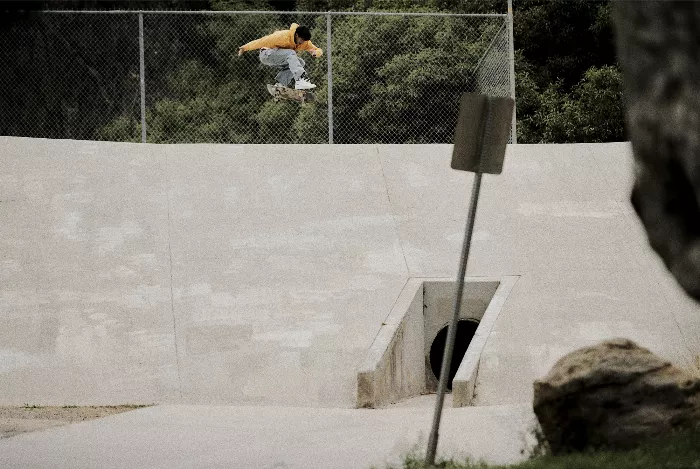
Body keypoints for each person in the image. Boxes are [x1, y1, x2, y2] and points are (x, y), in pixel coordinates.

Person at [238, 23, 322, 90]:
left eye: (304, 41)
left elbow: (317, 49)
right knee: (291, 53)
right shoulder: (282, 36)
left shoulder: (305, 43)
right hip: (267, 54)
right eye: (302, 40)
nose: (302, 42)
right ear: (297, 35)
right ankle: (300, 80)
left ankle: (280, 85)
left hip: (279, 57)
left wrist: (315, 53)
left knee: (300, 62)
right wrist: (245, 47)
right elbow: (261, 41)